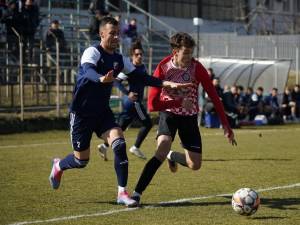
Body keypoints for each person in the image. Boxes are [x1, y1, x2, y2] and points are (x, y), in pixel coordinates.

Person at [48, 17, 190, 207]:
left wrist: (167, 83)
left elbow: (141, 77)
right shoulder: (92, 51)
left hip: (102, 113)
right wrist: (100, 79)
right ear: (102, 34)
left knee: (119, 142)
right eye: (112, 34)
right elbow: (87, 70)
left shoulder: (119, 59)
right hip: (81, 114)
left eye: (118, 34)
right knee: (81, 161)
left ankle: (122, 193)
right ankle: (58, 166)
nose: (116, 37)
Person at [130, 32, 236, 205]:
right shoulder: (163, 68)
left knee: (195, 165)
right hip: (169, 114)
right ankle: (136, 193)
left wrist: (226, 125)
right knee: (162, 148)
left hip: (189, 118)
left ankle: (173, 156)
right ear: (175, 51)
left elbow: (214, 97)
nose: (189, 57)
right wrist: (178, 101)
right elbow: (152, 106)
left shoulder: (197, 68)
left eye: (191, 52)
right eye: (185, 53)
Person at [98, 41, 158, 160]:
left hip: (132, 103)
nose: (139, 56)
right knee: (147, 124)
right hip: (133, 102)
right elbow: (116, 81)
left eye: (141, 54)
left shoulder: (142, 67)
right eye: (137, 54)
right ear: (132, 56)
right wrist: (128, 93)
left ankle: (104, 146)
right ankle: (135, 147)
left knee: (121, 127)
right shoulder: (130, 69)